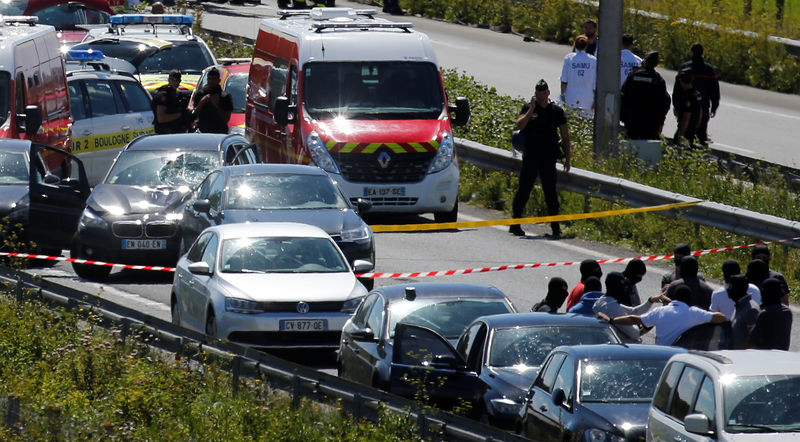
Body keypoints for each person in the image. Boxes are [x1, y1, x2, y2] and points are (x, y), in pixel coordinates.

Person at [508, 79, 571, 238]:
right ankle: (515, 224)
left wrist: (568, 158)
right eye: (538, 93)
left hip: (548, 158)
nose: (541, 96)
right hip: (531, 157)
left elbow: (565, 136)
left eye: (544, 93)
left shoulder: (556, 111)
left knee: (550, 193)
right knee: (524, 190)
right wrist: (531, 110)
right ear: (535, 94)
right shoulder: (528, 108)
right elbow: (520, 125)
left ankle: (555, 227)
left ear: (548, 93)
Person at [599, 283, 726, 346]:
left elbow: (633, 319)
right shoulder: (695, 312)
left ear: (672, 297)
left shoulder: (659, 312)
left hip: (663, 353)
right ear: (689, 299)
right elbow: (720, 318)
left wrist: (612, 320)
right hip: (684, 355)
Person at [593, 272, 669, 343]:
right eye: (624, 288)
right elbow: (635, 334)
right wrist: (647, 325)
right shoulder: (612, 308)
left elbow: (634, 311)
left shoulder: (602, 301)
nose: (626, 290)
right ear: (617, 288)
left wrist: (651, 300)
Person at [674, 43, 720, 145]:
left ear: (692, 52)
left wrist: (676, 105)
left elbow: (677, 88)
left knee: (683, 130)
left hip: (685, 105)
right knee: (701, 132)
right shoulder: (708, 69)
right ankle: (699, 155)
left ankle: (681, 153)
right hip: (702, 105)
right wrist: (714, 106)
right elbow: (714, 90)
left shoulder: (685, 67)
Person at [620, 51, 671, 140]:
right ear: (656, 64)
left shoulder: (633, 75)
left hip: (632, 121)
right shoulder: (658, 80)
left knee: (630, 147)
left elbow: (622, 95)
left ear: (645, 61)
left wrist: (624, 117)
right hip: (650, 123)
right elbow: (665, 102)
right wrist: (660, 122)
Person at [750, 278, 792, 350]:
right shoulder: (787, 312)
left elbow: (753, 339)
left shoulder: (765, 314)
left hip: (766, 355)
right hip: (783, 353)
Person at [560, 35, 596, 117]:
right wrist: (595, 100)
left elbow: (564, 79)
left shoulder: (569, 58)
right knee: (586, 123)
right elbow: (595, 82)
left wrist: (562, 95)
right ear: (587, 46)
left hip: (570, 96)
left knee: (570, 122)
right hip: (588, 97)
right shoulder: (593, 60)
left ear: (574, 44)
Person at [192, 67, 233, 134]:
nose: (211, 81)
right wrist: (202, 102)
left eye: (214, 79)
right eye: (209, 79)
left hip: (219, 131)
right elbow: (194, 115)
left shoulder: (225, 96)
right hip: (203, 131)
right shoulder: (200, 94)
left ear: (219, 80)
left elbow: (226, 119)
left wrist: (216, 105)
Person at [726, 275, 760, 349]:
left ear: (738, 288)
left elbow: (753, 340)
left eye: (730, 287)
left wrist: (737, 352)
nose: (728, 290)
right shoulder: (739, 306)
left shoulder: (751, 310)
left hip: (743, 357)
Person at [672, 67, 703, 147]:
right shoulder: (697, 94)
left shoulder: (687, 96)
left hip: (685, 131)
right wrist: (696, 126)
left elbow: (686, 118)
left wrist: (680, 136)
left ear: (681, 80)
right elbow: (700, 112)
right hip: (692, 130)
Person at [152, 69, 189, 134]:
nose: (176, 83)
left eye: (178, 80)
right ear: (169, 80)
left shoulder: (175, 94)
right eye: (174, 80)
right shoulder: (163, 95)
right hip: (164, 132)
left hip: (176, 130)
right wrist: (180, 115)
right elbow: (161, 118)